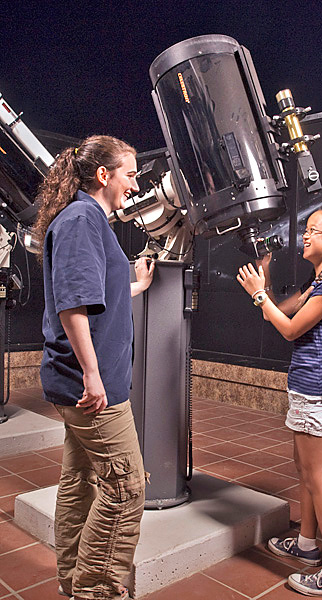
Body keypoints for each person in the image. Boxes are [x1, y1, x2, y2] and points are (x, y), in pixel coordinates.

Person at [35, 135, 155, 600]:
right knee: (126, 490)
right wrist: (92, 373)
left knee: (81, 483)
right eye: (128, 174)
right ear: (103, 175)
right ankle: (97, 591)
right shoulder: (82, 219)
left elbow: (94, 295)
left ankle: (72, 581)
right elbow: (72, 306)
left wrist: (136, 286)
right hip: (92, 389)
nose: (133, 183)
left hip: (85, 383)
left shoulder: (88, 221)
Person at [237, 208, 322, 598]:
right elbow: (281, 310)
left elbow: (288, 330)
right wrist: (265, 278)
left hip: (316, 391)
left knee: (319, 481)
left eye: (313, 231)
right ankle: (306, 545)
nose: (305, 236)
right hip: (308, 389)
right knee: (306, 473)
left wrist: (257, 294)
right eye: (305, 230)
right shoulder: (317, 281)